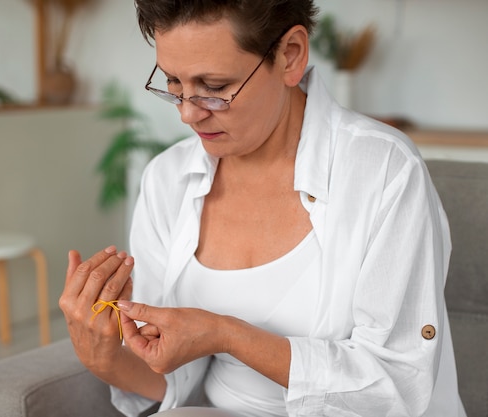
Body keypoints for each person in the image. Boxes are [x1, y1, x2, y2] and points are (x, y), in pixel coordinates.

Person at [58, 1, 467, 416]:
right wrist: (104, 357)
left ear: (290, 55)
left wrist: (228, 334)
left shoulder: (384, 171)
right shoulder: (168, 180)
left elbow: (395, 387)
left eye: (214, 86)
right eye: (174, 83)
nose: (187, 113)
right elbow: (174, 378)